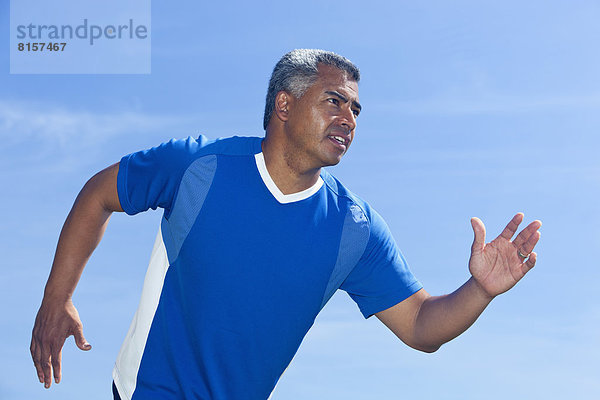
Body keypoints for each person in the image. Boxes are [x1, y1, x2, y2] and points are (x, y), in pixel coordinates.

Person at [31, 49, 542, 400]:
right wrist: (58, 297)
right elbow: (99, 193)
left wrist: (480, 290)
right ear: (284, 104)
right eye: (334, 101)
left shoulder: (354, 228)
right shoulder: (199, 167)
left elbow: (420, 326)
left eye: (357, 109)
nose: (350, 118)